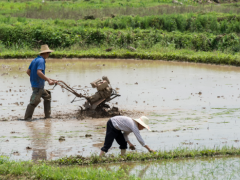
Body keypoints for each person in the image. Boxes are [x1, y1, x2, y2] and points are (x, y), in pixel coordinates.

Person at [24, 44, 56, 120]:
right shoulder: (41, 60)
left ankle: (47, 116)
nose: (49, 55)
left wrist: (36, 79)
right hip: (38, 86)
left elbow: (28, 72)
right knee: (34, 102)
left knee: (47, 96)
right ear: (45, 53)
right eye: (48, 53)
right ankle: (27, 118)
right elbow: (39, 72)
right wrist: (48, 80)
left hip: (37, 85)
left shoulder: (35, 60)